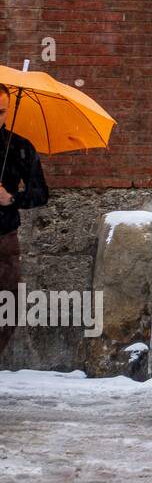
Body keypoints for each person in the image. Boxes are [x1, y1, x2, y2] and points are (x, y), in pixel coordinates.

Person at [0, 87, 49, 360]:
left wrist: (11, 198)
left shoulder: (19, 147)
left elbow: (41, 192)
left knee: (9, 305)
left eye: (1, 112)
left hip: (4, 237)